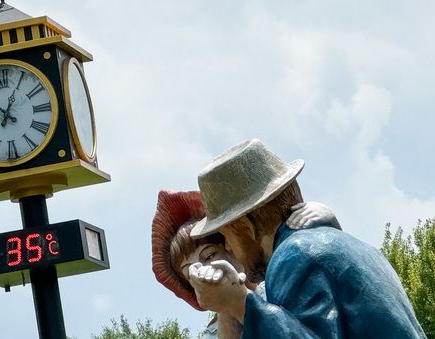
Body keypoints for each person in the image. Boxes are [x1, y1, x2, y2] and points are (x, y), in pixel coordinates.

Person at [187, 138, 426, 338]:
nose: (228, 246)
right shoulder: (364, 250)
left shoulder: (295, 256)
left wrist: (240, 304)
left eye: (227, 235)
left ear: (247, 227)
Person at [151, 190, 341, 338]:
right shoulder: (211, 334)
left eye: (208, 256)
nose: (204, 269)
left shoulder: (281, 281)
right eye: (190, 273)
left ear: (231, 245)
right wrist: (225, 305)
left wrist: (328, 230)